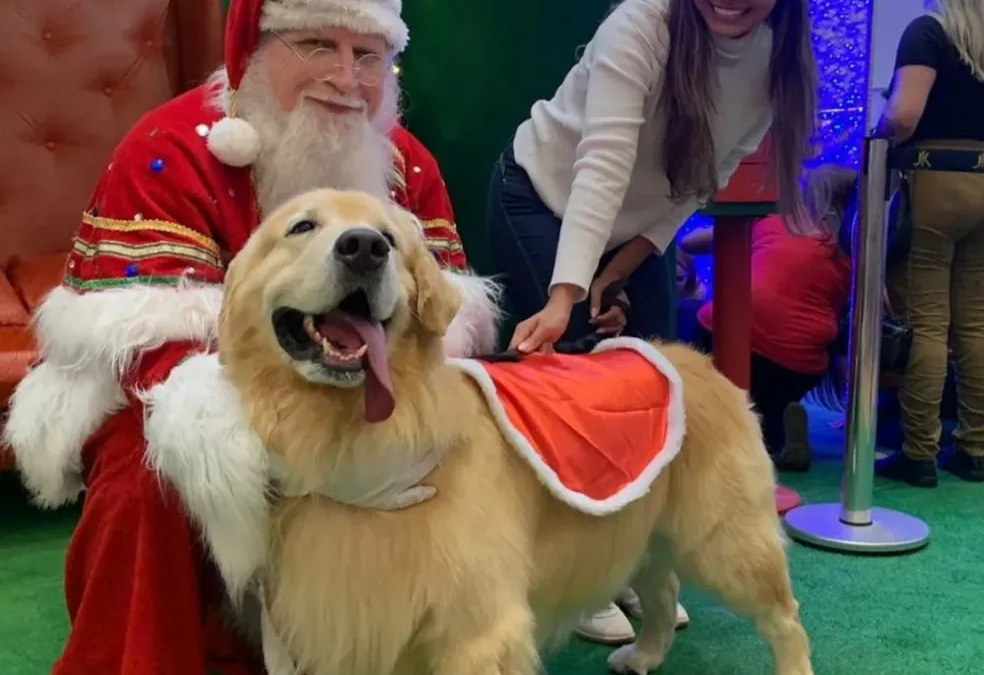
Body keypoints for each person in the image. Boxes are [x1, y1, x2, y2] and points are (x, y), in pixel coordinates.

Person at [2, 1, 499, 674]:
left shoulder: (407, 165)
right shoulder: (168, 146)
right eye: (319, 45)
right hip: (175, 381)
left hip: (357, 377)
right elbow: (145, 340)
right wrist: (264, 427)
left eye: (369, 56)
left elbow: (442, 316)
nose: (347, 79)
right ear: (256, 51)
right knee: (154, 471)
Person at [485, 0, 817, 645]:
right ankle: (582, 579)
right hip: (543, 198)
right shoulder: (641, 22)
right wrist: (567, 296)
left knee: (653, 390)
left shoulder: (779, 59)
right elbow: (602, 160)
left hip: (632, 232)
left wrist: (624, 266)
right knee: (574, 384)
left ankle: (636, 561)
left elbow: (699, 184)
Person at [680, 164, 855, 473]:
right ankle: (782, 424)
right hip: (799, 362)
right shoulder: (854, 250)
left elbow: (689, 243)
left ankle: (709, 428)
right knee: (769, 403)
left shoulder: (773, 221)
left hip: (734, 338)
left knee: (692, 322)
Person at [874, 0, 984, 488]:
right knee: (977, 321)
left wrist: (877, 139)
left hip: (936, 180)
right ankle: (975, 448)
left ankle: (918, 451)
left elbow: (903, 115)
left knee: (928, 323)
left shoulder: (929, 32)